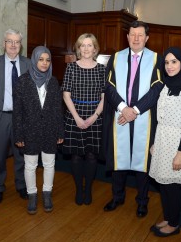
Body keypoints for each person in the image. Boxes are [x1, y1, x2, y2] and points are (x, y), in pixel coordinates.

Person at [102, 20, 164, 218]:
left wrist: (135, 110)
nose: (136, 38)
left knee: (142, 160)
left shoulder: (156, 59)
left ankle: (142, 201)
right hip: (120, 115)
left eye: (140, 35)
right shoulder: (116, 57)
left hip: (143, 117)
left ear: (147, 38)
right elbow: (108, 86)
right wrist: (123, 108)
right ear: (127, 37)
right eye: (132, 35)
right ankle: (117, 196)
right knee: (119, 158)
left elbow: (157, 89)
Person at [149, 47, 181, 237]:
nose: (169, 66)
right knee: (163, 184)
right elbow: (157, 117)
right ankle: (168, 218)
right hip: (162, 139)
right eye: (167, 62)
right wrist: (154, 141)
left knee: (172, 186)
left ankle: (175, 224)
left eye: (174, 62)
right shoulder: (164, 86)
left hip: (178, 142)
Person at [13, 46, 64, 215]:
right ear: (34, 60)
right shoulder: (22, 81)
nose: (44, 63)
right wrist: (18, 134)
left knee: (50, 164)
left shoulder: (54, 81)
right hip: (29, 131)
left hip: (50, 130)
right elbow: (17, 111)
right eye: (41, 59)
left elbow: (58, 109)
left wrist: (59, 131)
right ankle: (32, 195)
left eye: (48, 60)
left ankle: (47, 194)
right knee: (30, 165)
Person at [0, 29, 31, 204]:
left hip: (23, 118)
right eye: (9, 41)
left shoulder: (29, 65)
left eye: (17, 42)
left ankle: (21, 185)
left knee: (22, 155)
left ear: (21, 45)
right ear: (3, 43)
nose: (13, 45)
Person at [62, 33, 105, 205]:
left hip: (95, 114)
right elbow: (66, 95)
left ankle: (88, 190)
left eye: (90, 45)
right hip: (75, 114)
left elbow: (105, 97)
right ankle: (79, 189)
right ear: (78, 48)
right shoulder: (71, 67)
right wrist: (77, 118)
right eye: (83, 45)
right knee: (77, 156)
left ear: (95, 49)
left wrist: (94, 116)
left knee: (91, 156)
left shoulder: (102, 69)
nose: (86, 49)